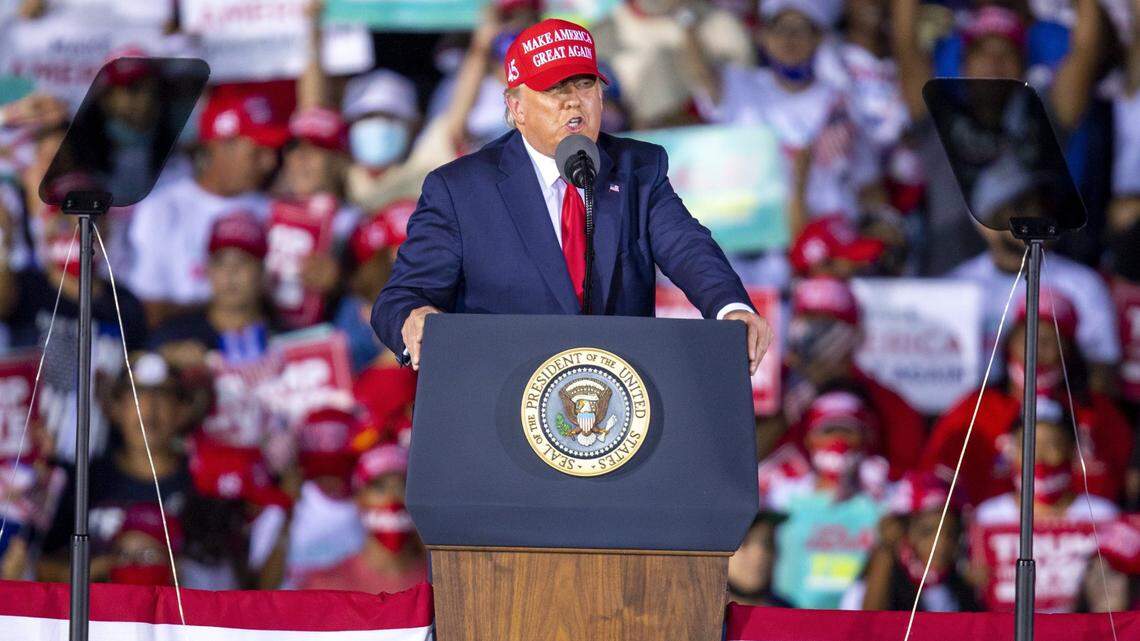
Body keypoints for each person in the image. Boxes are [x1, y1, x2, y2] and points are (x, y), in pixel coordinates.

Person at [373, 18, 772, 374]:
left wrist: (729, 307)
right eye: (553, 87)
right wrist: (414, 317)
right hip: (503, 402)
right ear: (516, 107)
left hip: (621, 406)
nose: (572, 100)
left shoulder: (638, 169)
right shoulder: (460, 189)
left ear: (601, 96)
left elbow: (687, 248)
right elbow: (400, 298)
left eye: (584, 83)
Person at [890, 0, 1103, 275]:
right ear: (963, 63)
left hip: (1031, 290)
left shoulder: (1043, 119)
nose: (994, 61)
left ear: (1023, 67)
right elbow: (906, 42)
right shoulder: (938, 117)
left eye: (1006, 52)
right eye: (982, 51)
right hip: (950, 295)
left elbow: (1086, 50)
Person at [921, 289, 1133, 506]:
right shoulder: (975, 407)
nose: (1037, 347)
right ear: (1010, 341)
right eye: (1028, 336)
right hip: (987, 531)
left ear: (1068, 350)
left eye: (1050, 339)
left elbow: (1129, 483)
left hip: (1083, 533)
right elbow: (934, 480)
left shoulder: (1098, 411)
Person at [126, 92, 284, 327]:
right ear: (221, 146)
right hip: (184, 347)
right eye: (258, 152)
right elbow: (147, 309)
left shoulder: (274, 211)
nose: (270, 162)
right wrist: (225, 312)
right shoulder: (162, 208)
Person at [38, 353, 191, 582]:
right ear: (115, 408)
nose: (148, 407)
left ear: (182, 411)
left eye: (162, 394)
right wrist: (96, 570)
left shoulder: (203, 483)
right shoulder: (82, 481)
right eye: (135, 394)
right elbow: (40, 564)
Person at [779, 277, 926, 480]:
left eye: (829, 321)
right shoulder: (770, 391)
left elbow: (907, 475)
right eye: (809, 318)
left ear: (857, 332)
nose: (815, 332)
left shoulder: (890, 406)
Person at [763, 390, 887, 608]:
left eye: (848, 431)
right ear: (810, 438)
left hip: (853, 628)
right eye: (828, 430)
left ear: (865, 437)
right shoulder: (782, 496)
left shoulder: (882, 502)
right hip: (788, 621)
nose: (838, 441)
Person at [592, 0, 755, 129]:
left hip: (720, 152)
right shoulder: (601, 35)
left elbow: (749, 109)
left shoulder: (724, 27)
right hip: (643, 152)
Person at [296, 444, 426, 593]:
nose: (393, 498)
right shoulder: (327, 584)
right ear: (359, 499)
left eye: (404, 486)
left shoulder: (441, 580)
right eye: (379, 487)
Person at [843, 472, 979, 612]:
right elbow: (869, 621)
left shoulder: (960, 584)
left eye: (951, 533)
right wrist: (885, 553)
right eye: (926, 532)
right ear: (903, 531)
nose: (941, 543)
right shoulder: (880, 574)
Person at [727, 511, 791, 607]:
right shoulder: (701, 616)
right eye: (744, 542)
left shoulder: (789, 613)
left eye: (768, 543)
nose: (760, 554)